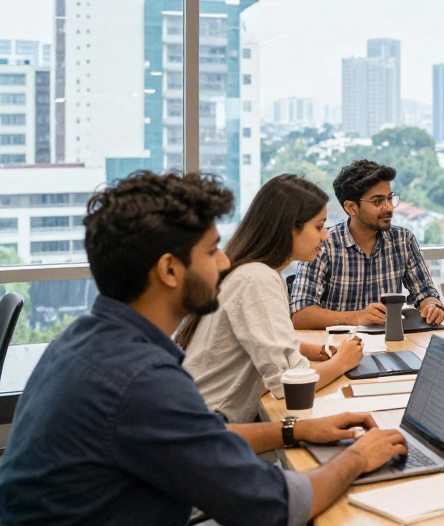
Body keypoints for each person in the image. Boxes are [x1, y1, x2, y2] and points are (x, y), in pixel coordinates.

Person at [0, 171, 407, 526]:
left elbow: (202, 437)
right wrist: (357, 458)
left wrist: (294, 428)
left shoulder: (81, 343)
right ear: (170, 270)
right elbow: (273, 506)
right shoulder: (142, 382)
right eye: (212, 250)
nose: (225, 263)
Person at [177, 174, 365, 424]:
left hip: (206, 418)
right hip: (212, 426)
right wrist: (343, 361)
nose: (325, 237)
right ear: (290, 228)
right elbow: (290, 384)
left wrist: (313, 350)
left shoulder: (252, 272)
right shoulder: (258, 279)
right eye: (318, 227)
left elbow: (256, 339)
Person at [290, 159, 444, 330]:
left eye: (390, 198)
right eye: (378, 201)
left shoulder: (403, 240)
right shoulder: (324, 245)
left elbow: (426, 293)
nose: (388, 208)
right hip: (337, 349)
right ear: (351, 207)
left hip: (389, 345)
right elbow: (300, 315)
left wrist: (431, 305)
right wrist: (357, 317)